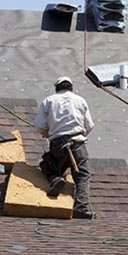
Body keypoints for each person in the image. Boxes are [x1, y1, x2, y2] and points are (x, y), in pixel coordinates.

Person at [35, 76, 95, 219]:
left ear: (57, 88)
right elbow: (90, 125)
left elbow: (39, 125)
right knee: (82, 175)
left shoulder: (48, 101)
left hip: (57, 144)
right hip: (77, 142)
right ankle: (81, 207)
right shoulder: (80, 100)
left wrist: (48, 133)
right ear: (71, 88)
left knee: (48, 166)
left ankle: (55, 178)